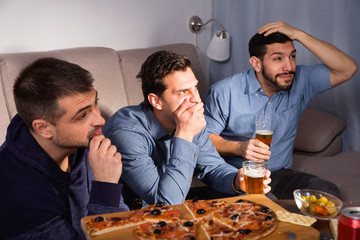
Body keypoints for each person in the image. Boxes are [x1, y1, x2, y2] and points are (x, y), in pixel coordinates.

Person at [204, 21, 358, 199]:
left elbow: (348, 69)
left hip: (279, 174)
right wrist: (239, 147)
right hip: (238, 176)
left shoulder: (301, 80)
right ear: (256, 63)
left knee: (327, 195)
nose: (289, 67)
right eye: (278, 58)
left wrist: (300, 35)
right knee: (265, 208)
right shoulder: (225, 91)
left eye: (292, 56)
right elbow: (205, 139)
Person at [102, 50, 271, 207]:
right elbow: (165, 203)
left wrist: (236, 180)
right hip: (135, 212)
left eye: (195, 88)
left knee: (263, 201)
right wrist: (184, 135)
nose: (196, 99)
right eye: (182, 92)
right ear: (156, 101)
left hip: (177, 196)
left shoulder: (188, 115)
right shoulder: (125, 132)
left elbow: (211, 167)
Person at [0, 58, 129, 239]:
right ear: (43, 128)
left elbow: (121, 219)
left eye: (95, 103)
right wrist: (106, 187)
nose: (100, 120)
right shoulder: (19, 193)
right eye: (82, 115)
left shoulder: (83, 143)